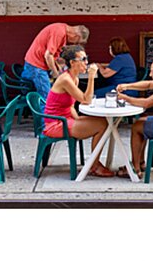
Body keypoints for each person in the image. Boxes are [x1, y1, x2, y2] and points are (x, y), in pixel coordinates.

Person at [42, 44, 116, 178]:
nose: (86, 62)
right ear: (72, 62)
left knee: (103, 122)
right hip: (56, 124)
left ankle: (94, 162)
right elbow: (86, 100)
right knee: (102, 125)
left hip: (66, 119)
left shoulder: (73, 78)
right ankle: (95, 164)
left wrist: (77, 119)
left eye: (86, 58)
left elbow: (69, 106)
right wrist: (92, 76)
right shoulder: (65, 79)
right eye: (83, 59)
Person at [21, 23, 89, 131]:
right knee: (46, 99)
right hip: (37, 66)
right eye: (76, 42)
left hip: (34, 64)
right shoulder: (59, 32)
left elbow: (54, 56)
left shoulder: (61, 29)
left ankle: (51, 124)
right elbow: (48, 55)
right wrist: (56, 74)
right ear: (76, 36)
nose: (73, 43)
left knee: (48, 96)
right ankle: (46, 129)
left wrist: (58, 69)